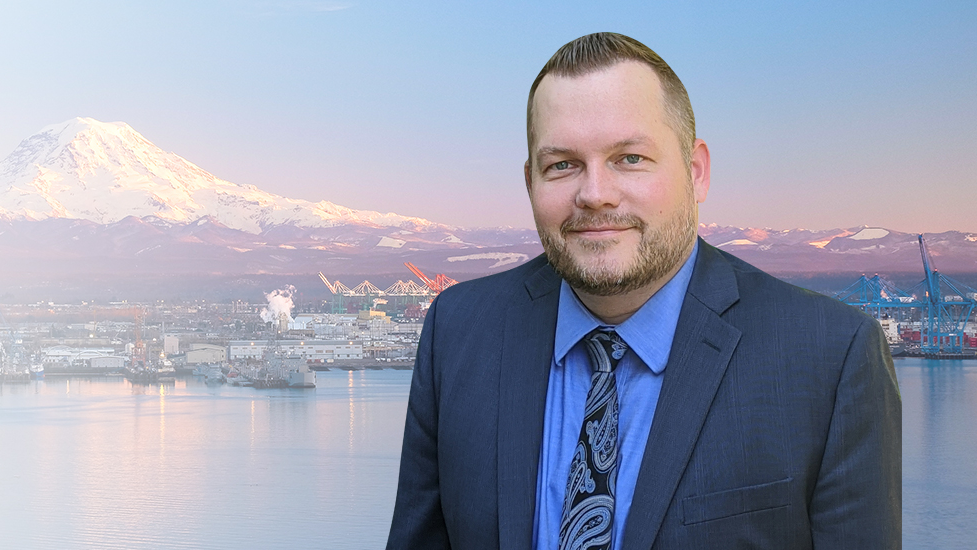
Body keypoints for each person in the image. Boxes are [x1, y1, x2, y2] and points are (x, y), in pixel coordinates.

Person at [386, 32, 901, 550]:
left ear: (695, 173)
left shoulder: (831, 355)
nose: (595, 194)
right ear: (530, 183)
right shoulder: (458, 330)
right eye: (562, 164)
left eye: (629, 158)